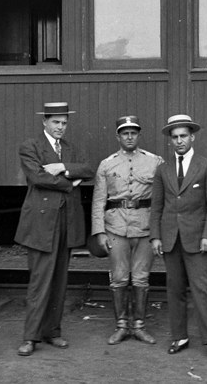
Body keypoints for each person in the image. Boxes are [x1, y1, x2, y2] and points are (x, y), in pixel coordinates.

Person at [15, 102, 94, 356]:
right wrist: (70, 183)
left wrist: (62, 168)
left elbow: (88, 169)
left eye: (64, 123)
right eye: (56, 122)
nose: (61, 127)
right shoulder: (31, 146)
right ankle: (31, 337)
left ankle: (53, 332)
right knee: (40, 281)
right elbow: (37, 177)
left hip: (66, 222)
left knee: (59, 281)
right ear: (45, 122)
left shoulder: (69, 148)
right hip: (41, 223)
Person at [150, 114, 207, 362]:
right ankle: (179, 336)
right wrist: (156, 237)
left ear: (192, 137)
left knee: (203, 289)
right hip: (171, 239)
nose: (179, 141)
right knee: (174, 289)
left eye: (183, 136)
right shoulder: (163, 169)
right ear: (170, 141)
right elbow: (157, 206)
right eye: (175, 137)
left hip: (197, 240)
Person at [91, 115, 164, 346]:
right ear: (118, 136)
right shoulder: (107, 164)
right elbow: (98, 201)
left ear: (139, 135)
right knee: (119, 278)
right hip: (116, 227)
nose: (129, 136)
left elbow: (160, 200)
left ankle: (140, 327)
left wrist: (158, 232)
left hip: (145, 227)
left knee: (141, 278)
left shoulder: (155, 162)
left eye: (133, 132)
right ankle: (122, 326)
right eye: (125, 133)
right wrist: (99, 231)